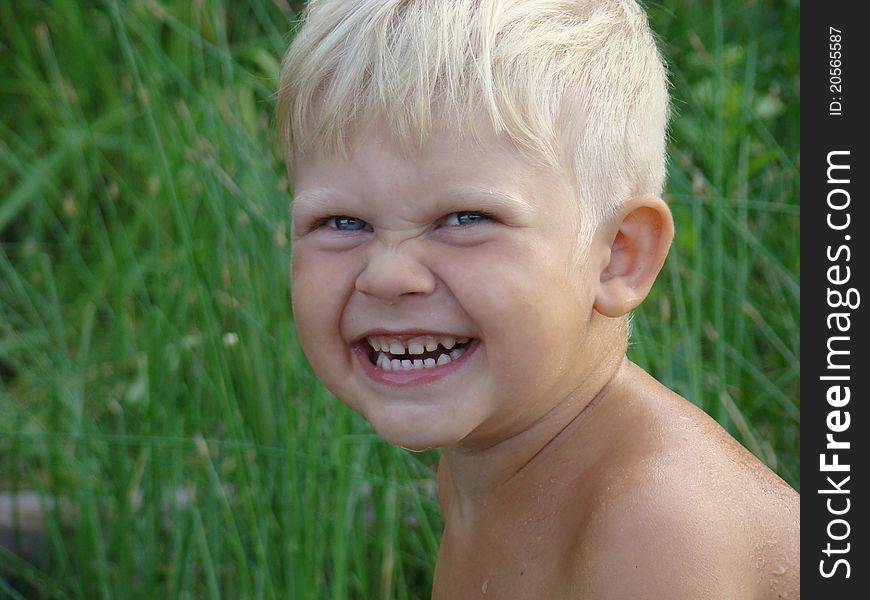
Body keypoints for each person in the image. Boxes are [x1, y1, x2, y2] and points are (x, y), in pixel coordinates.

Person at [277, 0, 800, 597]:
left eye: (464, 218)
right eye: (342, 223)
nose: (388, 275)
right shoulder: (490, 460)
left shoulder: (657, 526)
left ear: (618, 254)